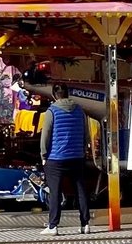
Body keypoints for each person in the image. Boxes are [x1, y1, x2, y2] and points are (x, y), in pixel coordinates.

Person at [40, 85, 93, 235]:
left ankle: (53, 226)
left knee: (55, 192)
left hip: (56, 158)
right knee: (80, 190)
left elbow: (46, 135)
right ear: (68, 94)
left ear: (55, 95)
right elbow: (86, 133)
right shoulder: (79, 111)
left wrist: (43, 155)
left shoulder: (52, 111)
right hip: (76, 156)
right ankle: (85, 224)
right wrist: (83, 150)